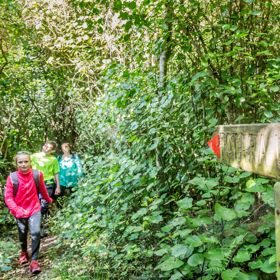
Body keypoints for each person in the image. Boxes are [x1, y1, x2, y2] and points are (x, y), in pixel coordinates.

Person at [4, 151, 53, 274]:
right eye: (20, 162)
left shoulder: (37, 174)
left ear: (30, 162)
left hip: (34, 208)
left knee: (36, 232)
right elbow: (8, 197)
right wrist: (16, 209)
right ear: (16, 163)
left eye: (26, 161)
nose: (24, 164)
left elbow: (42, 189)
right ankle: (24, 252)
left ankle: (34, 261)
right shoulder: (12, 177)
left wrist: (48, 200)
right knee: (22, 233)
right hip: (18, 210)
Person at [31, 141, 61, 217]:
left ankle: (39, 220)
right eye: (46, 146)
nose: (47, 149)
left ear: (52, 150)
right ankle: (36, 221)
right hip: (35, 182)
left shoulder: (53, 159)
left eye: (50, 148)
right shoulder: (33, 157)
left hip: (48, 183)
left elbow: (56, 173)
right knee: (35, 202)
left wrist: (58, 187)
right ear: (43, 146)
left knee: (44, 203)